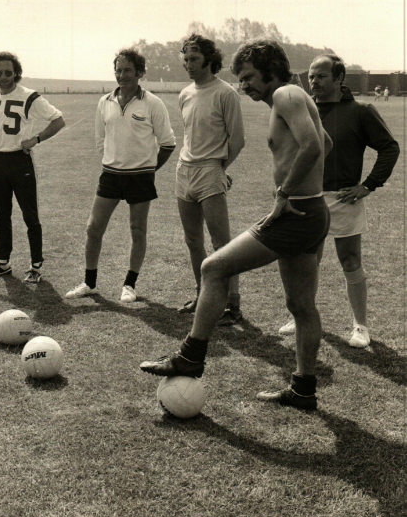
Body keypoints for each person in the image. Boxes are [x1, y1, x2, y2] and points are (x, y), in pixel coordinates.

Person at [141, 40, 331, 411]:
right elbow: (325, 141)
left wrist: (285, 193)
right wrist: (308, 191)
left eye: (249, 78)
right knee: (301, 305)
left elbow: (312, 146)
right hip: (311, 212)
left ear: (271, 69)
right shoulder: (292, 96)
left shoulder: (287, 94)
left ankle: (190, 356)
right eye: (241, 80)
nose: (245, 87)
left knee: (213, 268)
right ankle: (304, 389)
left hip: (295, 216)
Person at [277, 54, 400, 347]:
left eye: (321, 76)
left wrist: (368, 185)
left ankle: (360, 326)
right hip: (308, 197)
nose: (313, 82)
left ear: (339, 78)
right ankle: (300, 317)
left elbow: (389, 148)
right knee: (307, 261)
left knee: (350, 260)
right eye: (311, 76)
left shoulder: (360, 111)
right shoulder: (302, 110)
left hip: (344, 198)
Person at [66, 48, 176, 302]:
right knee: (93, 229)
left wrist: (148, 169)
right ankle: (89, 283)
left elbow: (168, 143)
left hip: (141, 178)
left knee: (137, 230)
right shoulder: (105, 102)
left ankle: (130, 284)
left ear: (140, 73)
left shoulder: (153, 103)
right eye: (118, 70)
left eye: (127, 70)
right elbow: (99, 140)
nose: (121, 75)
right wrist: (112, 161)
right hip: (111, 175)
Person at [0, 51, 65, 283]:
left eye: (8, 72)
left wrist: (36, 139)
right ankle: (3, 263)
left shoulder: (29, 96)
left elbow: (58, 120)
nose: (4, 77)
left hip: (20, 160)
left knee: (29, 214)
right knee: (1, 214)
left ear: (16, 73)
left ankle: (36, 266)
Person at [175, 34, 246, 325]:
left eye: (194, 58)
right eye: (186, 59)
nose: (188, 64)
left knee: (222, 244)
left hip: (209, 172)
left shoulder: (225, 93)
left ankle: (232, 305)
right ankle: (203, 294)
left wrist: (219, 168)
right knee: (193, 240)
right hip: (184, 172)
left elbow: (238, 140)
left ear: (208, 59)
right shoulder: (185, 94)